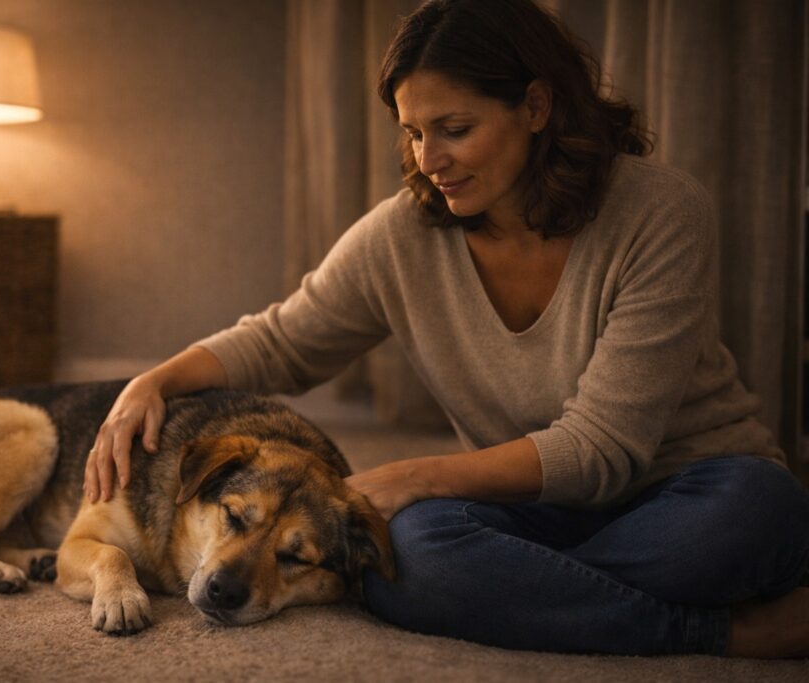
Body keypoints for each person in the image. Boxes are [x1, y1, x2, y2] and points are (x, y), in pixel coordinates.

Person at [83, 0, 809, 657]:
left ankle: (535, 595)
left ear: (535, 105)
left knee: (760, 514)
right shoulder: (403, 234)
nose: (430, 162)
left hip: (690, 490)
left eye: (455, 130)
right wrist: (152, 381)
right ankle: (714, 628)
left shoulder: (661, 212)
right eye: (415, 133)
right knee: (413, 555)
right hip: (528, 511)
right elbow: (283, 338)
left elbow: (601, 449)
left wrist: (415, 473)